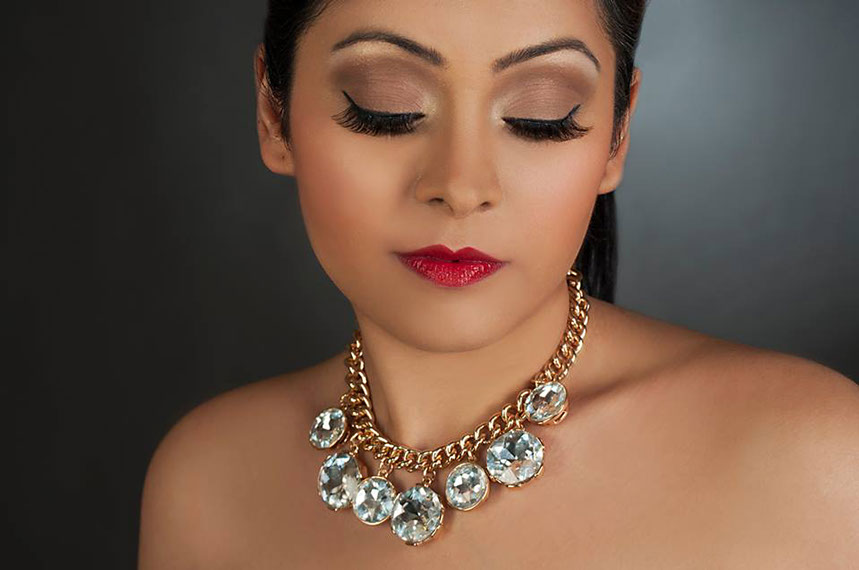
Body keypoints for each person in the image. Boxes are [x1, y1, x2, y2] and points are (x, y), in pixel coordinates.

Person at [138, 0, 859, 567]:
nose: (461, 186)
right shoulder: (208, 484)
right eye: (385, 108)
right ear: (274, 114)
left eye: (540, 117)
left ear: (616, 134)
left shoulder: (814, 463)